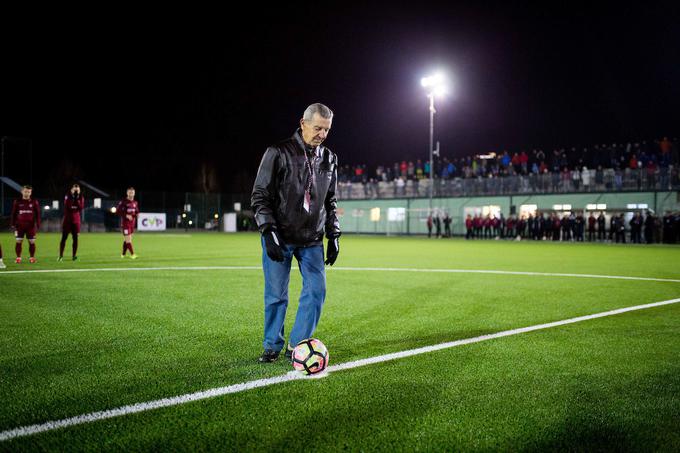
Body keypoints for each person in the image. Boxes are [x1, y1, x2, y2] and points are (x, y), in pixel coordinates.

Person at [251, 103, 341, 363]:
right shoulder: (277, 153)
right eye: (317, 128)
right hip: (280, 235)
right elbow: (260, 195)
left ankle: (298, 344)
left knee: (317, 290)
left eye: (326, 130)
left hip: (312, 240)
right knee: (276, 295)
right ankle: (272, 345)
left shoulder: (330, 158)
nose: (322, 134)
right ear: (303, 123)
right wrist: (268, 231)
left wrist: (334, 234)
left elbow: (331, 201)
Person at [11, 185, 41, 263]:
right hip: (19, 226)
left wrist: (38, 224)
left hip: (30, 226)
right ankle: (18, 258)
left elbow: (38, 213)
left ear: (30, 193)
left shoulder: (34, 202)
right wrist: (13, 224)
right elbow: (14, 213)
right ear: (22, 192)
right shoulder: (17, 201)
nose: (27, 193)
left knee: (32, 242)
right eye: (25, 191)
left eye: (28, 192)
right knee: (18, 241)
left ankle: (32, 258)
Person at [59, 184, 85, 261]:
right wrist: (73, 197)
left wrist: (76, 198)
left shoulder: (81, 197)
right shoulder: (67, 196)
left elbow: (80, 208)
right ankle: (60, 256)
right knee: (64, 238)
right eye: (75, 190)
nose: (76, 191)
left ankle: (74, 256)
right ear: (71, 190)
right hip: (67, 221)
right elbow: (68, 206)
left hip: (76, 222)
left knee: (75, 239)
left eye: (78, 190)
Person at [117, 187, 140, 259]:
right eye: (130, 192)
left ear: (134, 193)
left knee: (126, 240)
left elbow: (136, 211)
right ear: (127, 193)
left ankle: (123, 254)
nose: (131, 194)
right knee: (128, 240)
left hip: (132, 223)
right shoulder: (123, 202)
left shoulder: (135, 202)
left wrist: (137, 214)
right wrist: (126, 215)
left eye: (132, 192)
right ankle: (133, 255)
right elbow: (118, 211)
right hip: (125, 223)